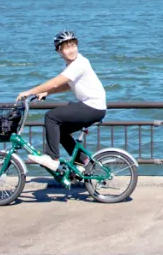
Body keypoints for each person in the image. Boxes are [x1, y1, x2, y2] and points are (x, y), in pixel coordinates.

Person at [17, 30, 107, 172]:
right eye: (66, 47)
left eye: (73, 45)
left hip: (92, 106)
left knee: (51, 117)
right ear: (59, 51)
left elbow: (55, 82)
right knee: (60, 131)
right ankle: (83, 161)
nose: (71, 50)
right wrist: (46, 92)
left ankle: (52, 158)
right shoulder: (71, 66)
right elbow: (66, 85)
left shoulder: (80, 63)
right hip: (93, 107)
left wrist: (29, 92)